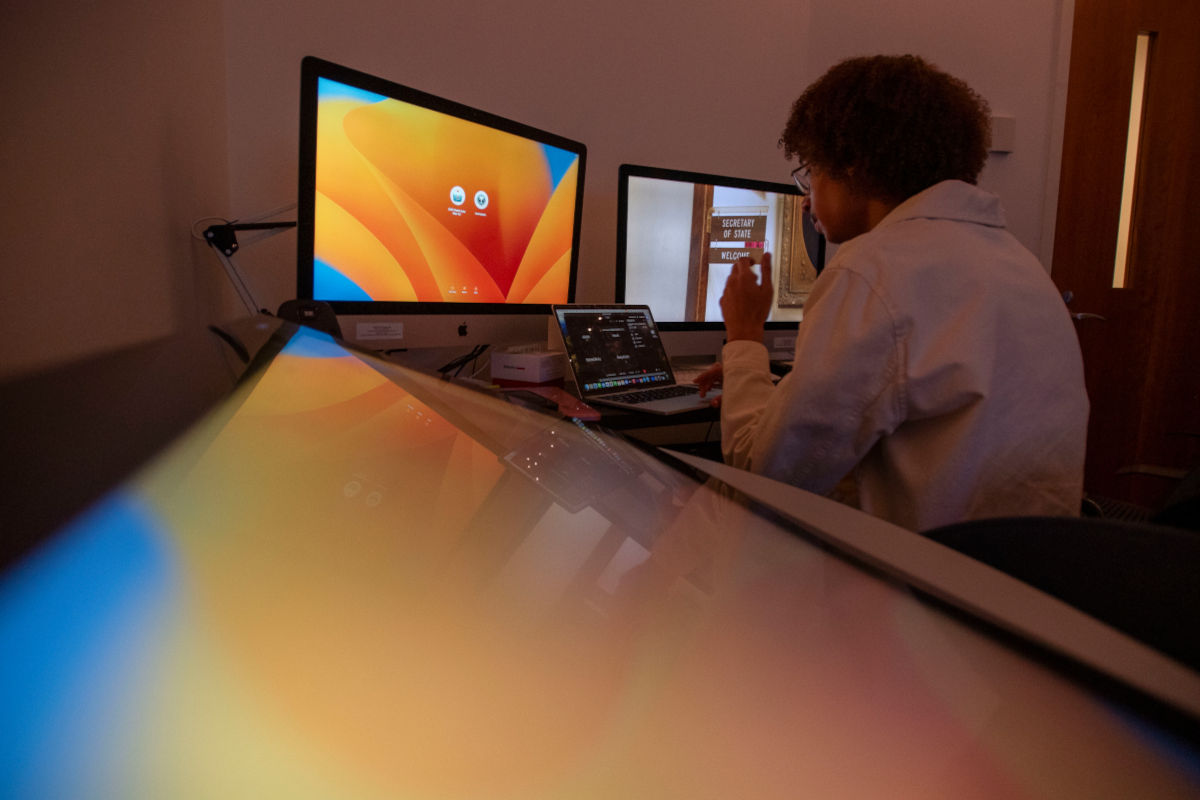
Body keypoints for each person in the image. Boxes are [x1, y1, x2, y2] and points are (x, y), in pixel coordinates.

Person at [697, 54, 1089, 532]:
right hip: (1030, 576)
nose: (806, 197)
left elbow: (768, 478)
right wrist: (766, 385)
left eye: (811, 170)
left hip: (925, 588)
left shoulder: (872, 270)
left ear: (852, 166)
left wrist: (743, 338)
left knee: (691, 515)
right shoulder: (1018, 262)